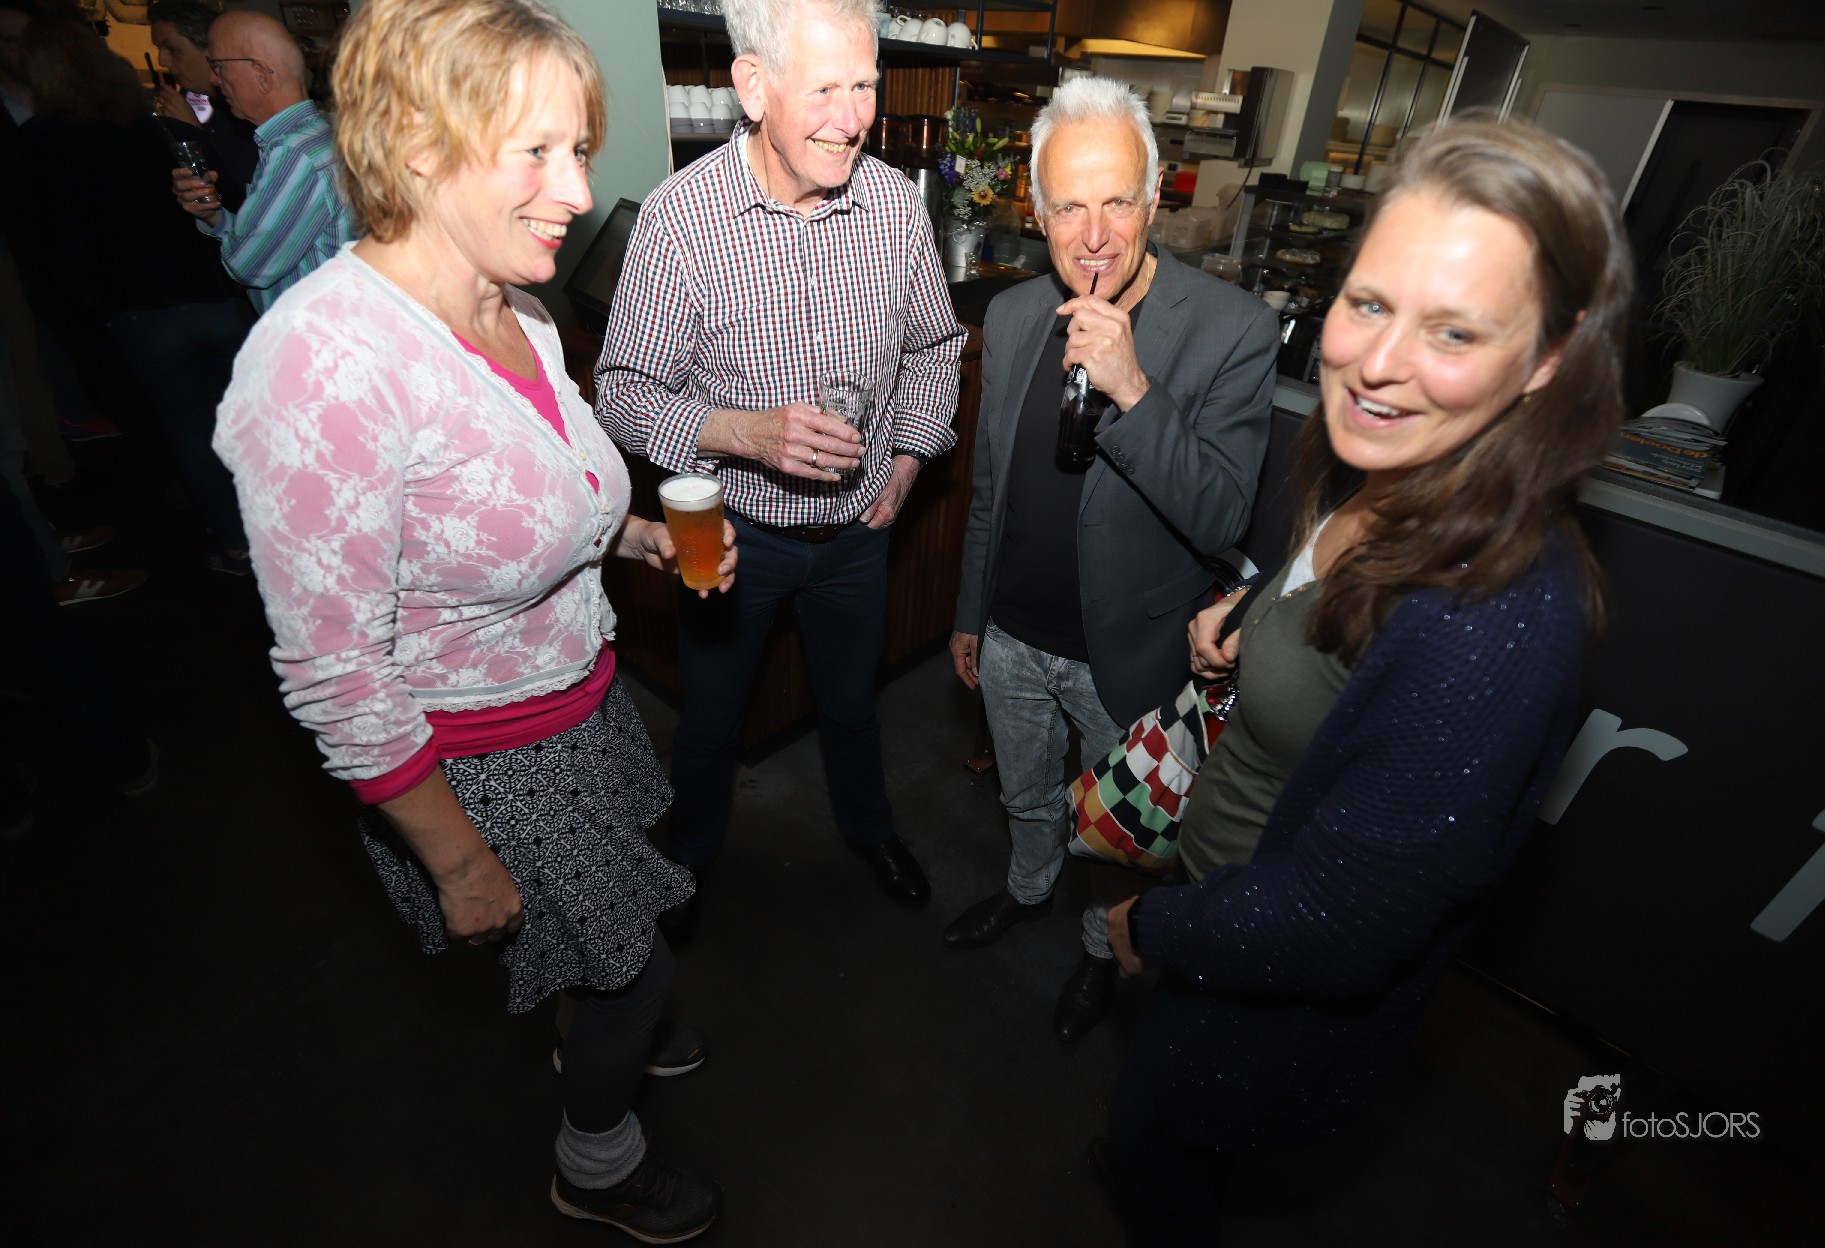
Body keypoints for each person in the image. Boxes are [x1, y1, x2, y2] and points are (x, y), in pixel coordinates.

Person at [213, 0, 732, 1237]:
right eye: (536, 152)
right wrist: (456, 861)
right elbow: (334, 669)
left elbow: (542, 485)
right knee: (637, 971)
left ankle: (603, 1017)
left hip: (580, 708)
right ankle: (596, 1160)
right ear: (418, 143)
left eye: (579, 150)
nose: (578, 191)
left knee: (618, 943)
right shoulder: (323, 363)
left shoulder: (521, 309)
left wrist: (632, 534)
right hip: (478, 765)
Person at [1095, 116, 1633, 1244]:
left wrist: (1159, 923)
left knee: (1158, 1181)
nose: (1378, 363)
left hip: (1245, 971)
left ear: (1547, 359)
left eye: (1454, 331)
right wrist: (1254, 611)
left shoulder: (1498, 616)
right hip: (1215, 903)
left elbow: (1335, 923)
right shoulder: (1395, 459)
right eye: (1369, 302)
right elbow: (1326, 580)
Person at [597, 0, 963, 914]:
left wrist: (910, 458)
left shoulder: (893, 207)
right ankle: (688, 861)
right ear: (754, 87)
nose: (853, 117)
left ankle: (870, 829)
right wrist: (747, 432)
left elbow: (935, 348)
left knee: (853, 703)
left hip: (860, 530)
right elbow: (622, 393)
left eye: (865, 86)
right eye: (826, 89)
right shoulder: (682, 220)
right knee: (712, 718)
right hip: (733, 538)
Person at [943, 75, 1278, 1044]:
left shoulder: (1232, 330)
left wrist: (1133, 388)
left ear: (1155, 196)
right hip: (1011, 637)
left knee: (1117, 828)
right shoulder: (1015, 317)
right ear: (1037, 210)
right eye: (1069, 207)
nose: (1093, 235)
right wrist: (970, 614)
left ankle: (1100, 948)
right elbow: (991, 487)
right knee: (1025, 794)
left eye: (1117, 201)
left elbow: (1221, 516)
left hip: (1125, 656)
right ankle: (1026, 887)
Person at [15, 14, 253, 574]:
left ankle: (238, 545)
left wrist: (89, 310)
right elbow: (231, 199)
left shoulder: (41, 143)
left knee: (192, 433)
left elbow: (48, 243)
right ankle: (286, 532)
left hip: (141, 314)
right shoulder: (157, 129)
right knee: (252, 422)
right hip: (213, 294)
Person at [170, 8, 352, 312]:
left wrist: (232, 241)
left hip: (312, 332)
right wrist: (213, 215)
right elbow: (264, 242)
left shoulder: (295, 153)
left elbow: (249, 267)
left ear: (260, 73)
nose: (214, 79)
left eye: (218, 66)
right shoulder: (318, 133)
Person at [148, 0, 259, 212]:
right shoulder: (191, 97)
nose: (162, 60)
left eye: (172, 49)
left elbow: (241, 202)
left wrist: (192, 132)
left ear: (210, 48)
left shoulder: (248, 110)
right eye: (159, 49)